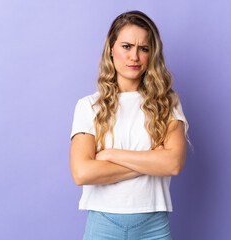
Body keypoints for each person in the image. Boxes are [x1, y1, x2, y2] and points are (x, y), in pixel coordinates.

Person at [69, 10, 191, 240]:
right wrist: (153, 161)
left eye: (143, 48)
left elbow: (173, 164)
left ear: (151, 54)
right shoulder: (88, 106)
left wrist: (110, 154)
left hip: (153, 226)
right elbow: (82, 172)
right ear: (111, 50)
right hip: (103, 225)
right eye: (126, 46)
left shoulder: (167, 103)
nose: (134, 56)